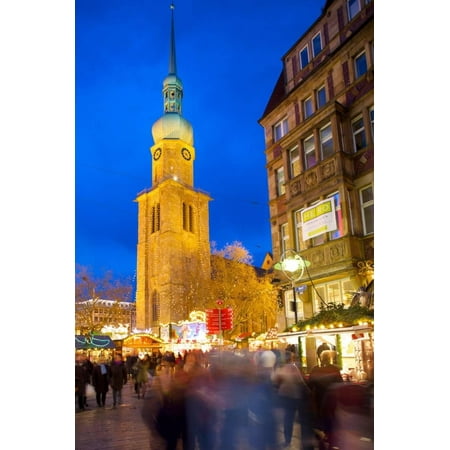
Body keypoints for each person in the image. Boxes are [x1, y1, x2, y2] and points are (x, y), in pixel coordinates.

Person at [273, 351, 315, 449]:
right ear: (291, 358)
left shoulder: (281, 369)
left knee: (288, 419)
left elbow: (276, 383)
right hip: (295, 397)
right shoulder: (293, 368)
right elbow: (300, 382)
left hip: (285, 397)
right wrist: (308, 391)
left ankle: (287, 440)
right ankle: (304, 443)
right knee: (300, 420)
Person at [308, 350, 343, 449]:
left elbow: (310, 384)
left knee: (321, 416)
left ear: (321, 358)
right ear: (330, 359)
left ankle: (323, 437)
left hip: (319, 397)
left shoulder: (315, 369)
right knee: (331, 416)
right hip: (332, 397)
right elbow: (340, 383)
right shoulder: (334, 369)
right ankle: (331, 437)